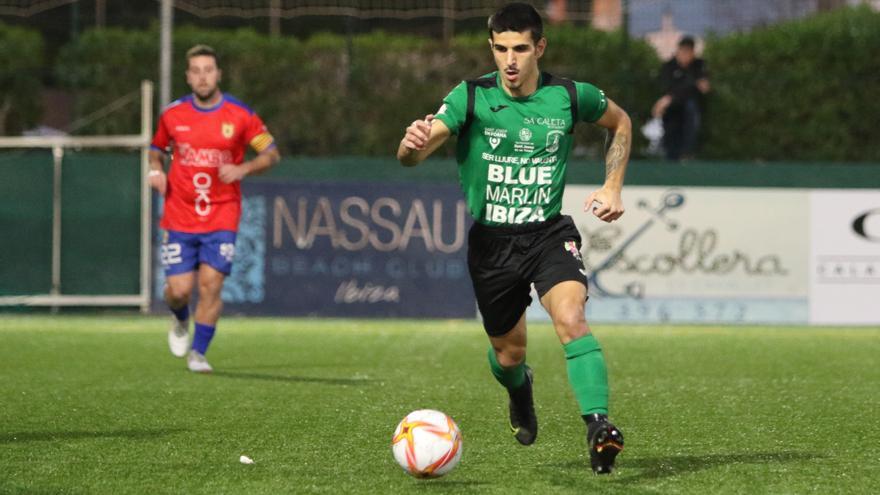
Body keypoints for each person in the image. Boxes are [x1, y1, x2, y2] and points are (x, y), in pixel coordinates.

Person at [396, 3, 630, 474]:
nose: (510, 60)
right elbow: (414, 155)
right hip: (492, 245)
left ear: (539, 47)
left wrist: (612, 186)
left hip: (548, 234)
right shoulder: (470, 96)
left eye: (520, 48)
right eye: (501, 48)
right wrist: (411, 144)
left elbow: (620, 123)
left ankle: (598, 427)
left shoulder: (568, 95)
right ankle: (519, 389)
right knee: (509, 354)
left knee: (572, 319)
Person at [148, 44, 280, 373]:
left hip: (222, 213)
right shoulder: (172, 114)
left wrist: (243, 169)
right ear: (188, 77)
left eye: (209, 70)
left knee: (212, 284)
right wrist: (155, 171)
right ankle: (179, 318)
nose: (203, 76)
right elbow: (157, 150)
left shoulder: (241, 114)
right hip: (179, 213)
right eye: (196, 71)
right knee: (179, 291)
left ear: (218, 74)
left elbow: (271, 154)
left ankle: (198, 352)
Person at [652, 35, 710, 160]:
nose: (685, 55)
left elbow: (702, 88)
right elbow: (666, 87)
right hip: (672, 111)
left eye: (688, 51)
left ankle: (687, 153)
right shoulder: (668, 67)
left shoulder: (699, 66)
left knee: (690, 108)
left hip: (690, 109)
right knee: (671, 131)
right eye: (683, 51)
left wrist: (671, 98)